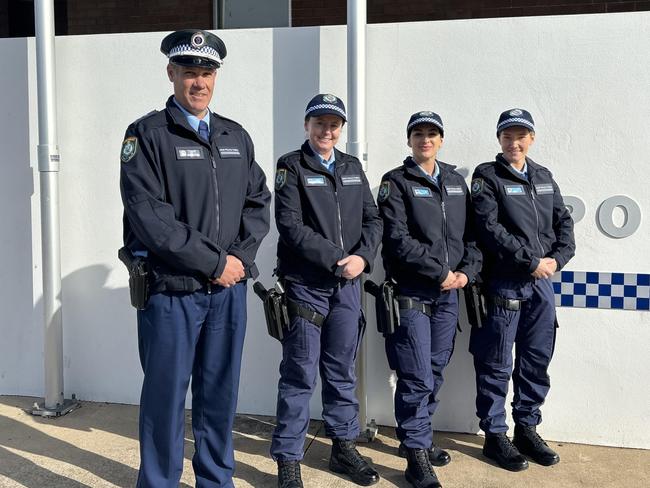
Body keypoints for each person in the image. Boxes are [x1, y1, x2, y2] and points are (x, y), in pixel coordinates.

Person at [119, 29, 271, 488]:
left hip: (227, 293)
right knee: (166, 399)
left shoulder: (234, 136)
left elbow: (257, 203)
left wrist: (239, 260)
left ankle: (215, 480)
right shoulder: (147, 135)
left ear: (216, 78)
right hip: (171, 293)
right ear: (171, 74)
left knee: (219, 396)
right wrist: (214, 262)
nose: (198, 82)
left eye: (206, 73)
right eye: (189, 73)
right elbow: (151, 218)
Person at [270, 94, 383, 488]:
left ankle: (342, 447)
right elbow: (291, 225)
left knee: (341, 371)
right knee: (299, 374)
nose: (326, 130)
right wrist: (340, 258)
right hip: (307, 286)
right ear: (307, 125)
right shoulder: (291, 166)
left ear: (341, 130)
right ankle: (288, 459)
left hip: (348, 286)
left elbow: (373, 218)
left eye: (334, 125)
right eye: (319, 123)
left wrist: (363, 259)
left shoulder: (351, 167)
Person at [377, 112, 481, 488]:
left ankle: (414, 440)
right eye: (418, 134)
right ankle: (417, 454)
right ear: (409, 140)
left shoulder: (455, 182)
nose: (425, 139)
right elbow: (397, 239)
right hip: (412, 293)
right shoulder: (396, 182)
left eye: (432, 134)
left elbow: (472, 236)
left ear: (441, 140)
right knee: (415, 375)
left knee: (434, 372)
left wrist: (467, 272)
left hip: (449, 295)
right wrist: (439, 272)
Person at [469, 108, 575, 472]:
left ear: (532, 139)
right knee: (496, 361)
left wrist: (556, 261)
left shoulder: (543, 177)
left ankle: (526, 428)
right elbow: (489, 228)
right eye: (507, 136)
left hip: (541, 285)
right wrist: (531, 261)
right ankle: (495, 435)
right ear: (499, 139)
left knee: (536, 360)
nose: (514, 143)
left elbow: (563, 223)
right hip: (506, 282)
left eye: (521, 136)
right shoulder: (487, 176)